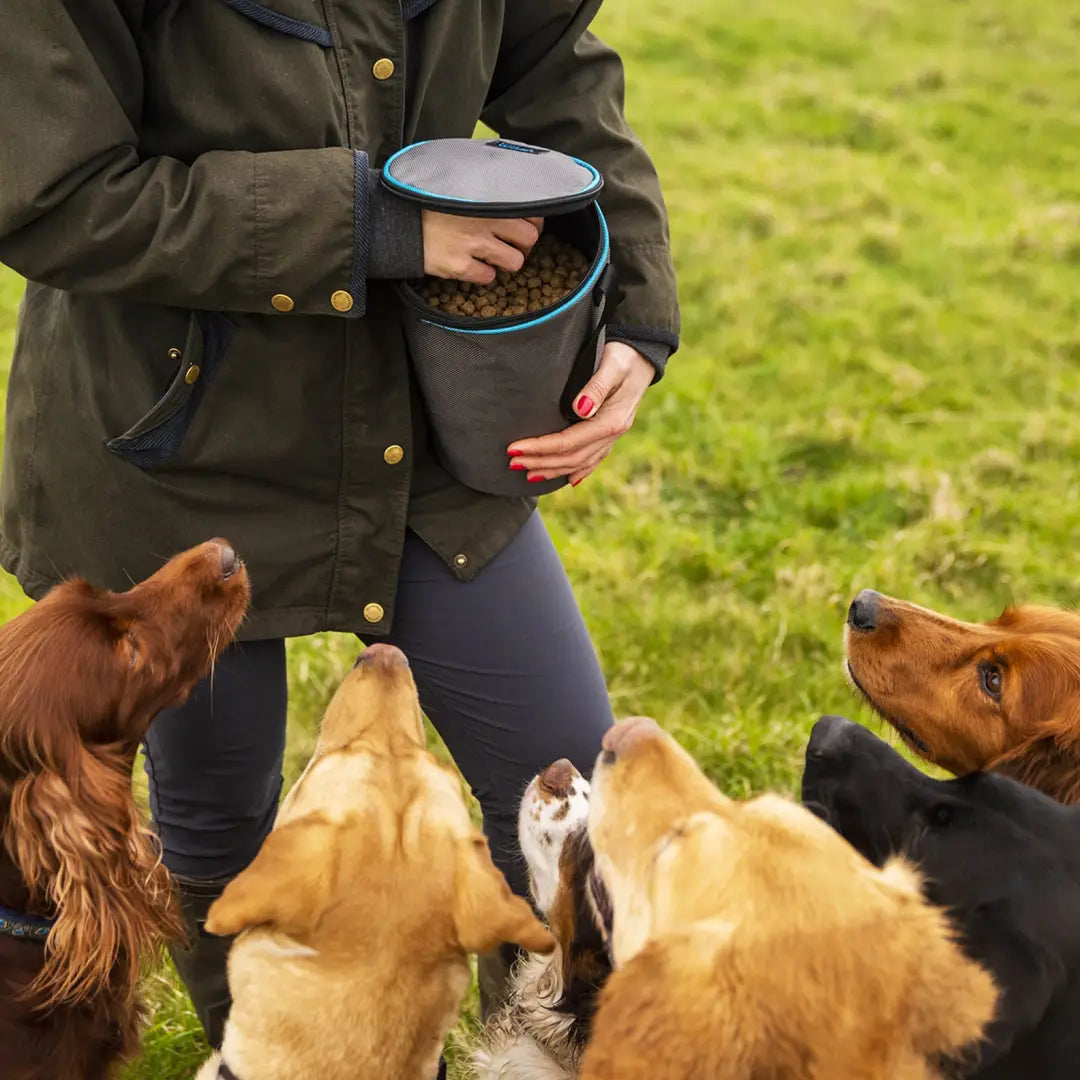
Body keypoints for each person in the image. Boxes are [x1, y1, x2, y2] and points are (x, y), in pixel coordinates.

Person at [0, 0, 680, 1056]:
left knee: (575, 804)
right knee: (221, 819)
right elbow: (52, 195)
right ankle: (273, 1057)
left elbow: (557, 67)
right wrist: (374, 225)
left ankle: (541, 1061)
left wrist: (631, 306)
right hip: (168, 436)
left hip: (419, 420)